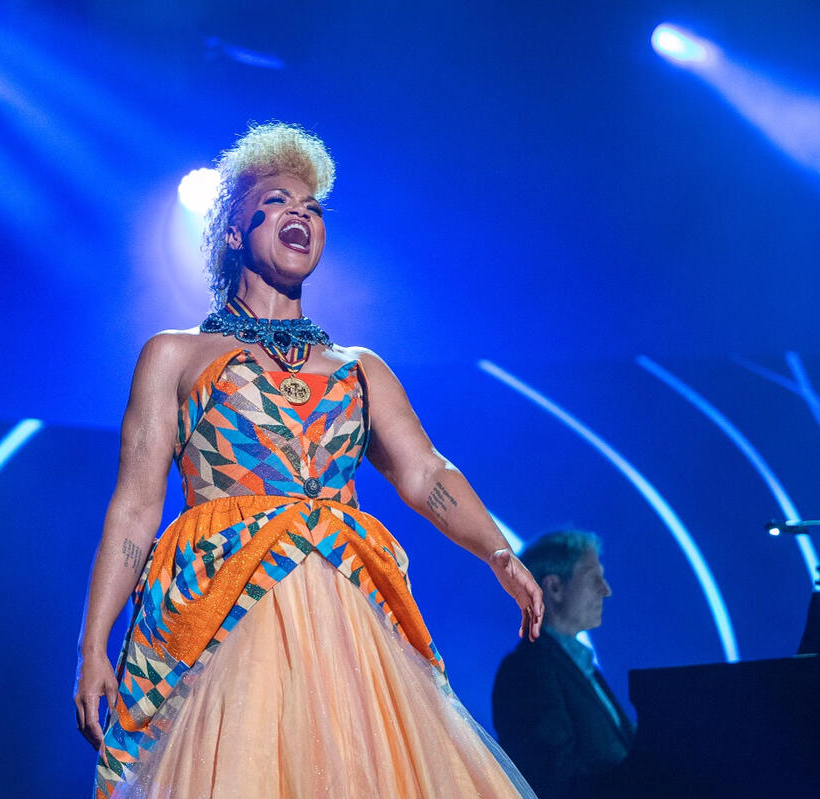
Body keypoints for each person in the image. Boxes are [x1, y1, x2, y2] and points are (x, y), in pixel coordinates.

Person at [73, 122, 545, 799]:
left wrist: (499, 553)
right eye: (278, 200)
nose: (301, 211)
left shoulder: (360, 368)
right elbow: (136, 504)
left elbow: (427, 472)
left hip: (346, 621)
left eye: (313, 207)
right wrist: (93, 645)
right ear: (234, 232)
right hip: (221, 611)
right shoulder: (175, 355)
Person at [491, 531, 634, 799]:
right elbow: (552, 778)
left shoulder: (579, 666)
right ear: (554, 587)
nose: (606, 590)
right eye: (594, 578)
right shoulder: (527, 671)